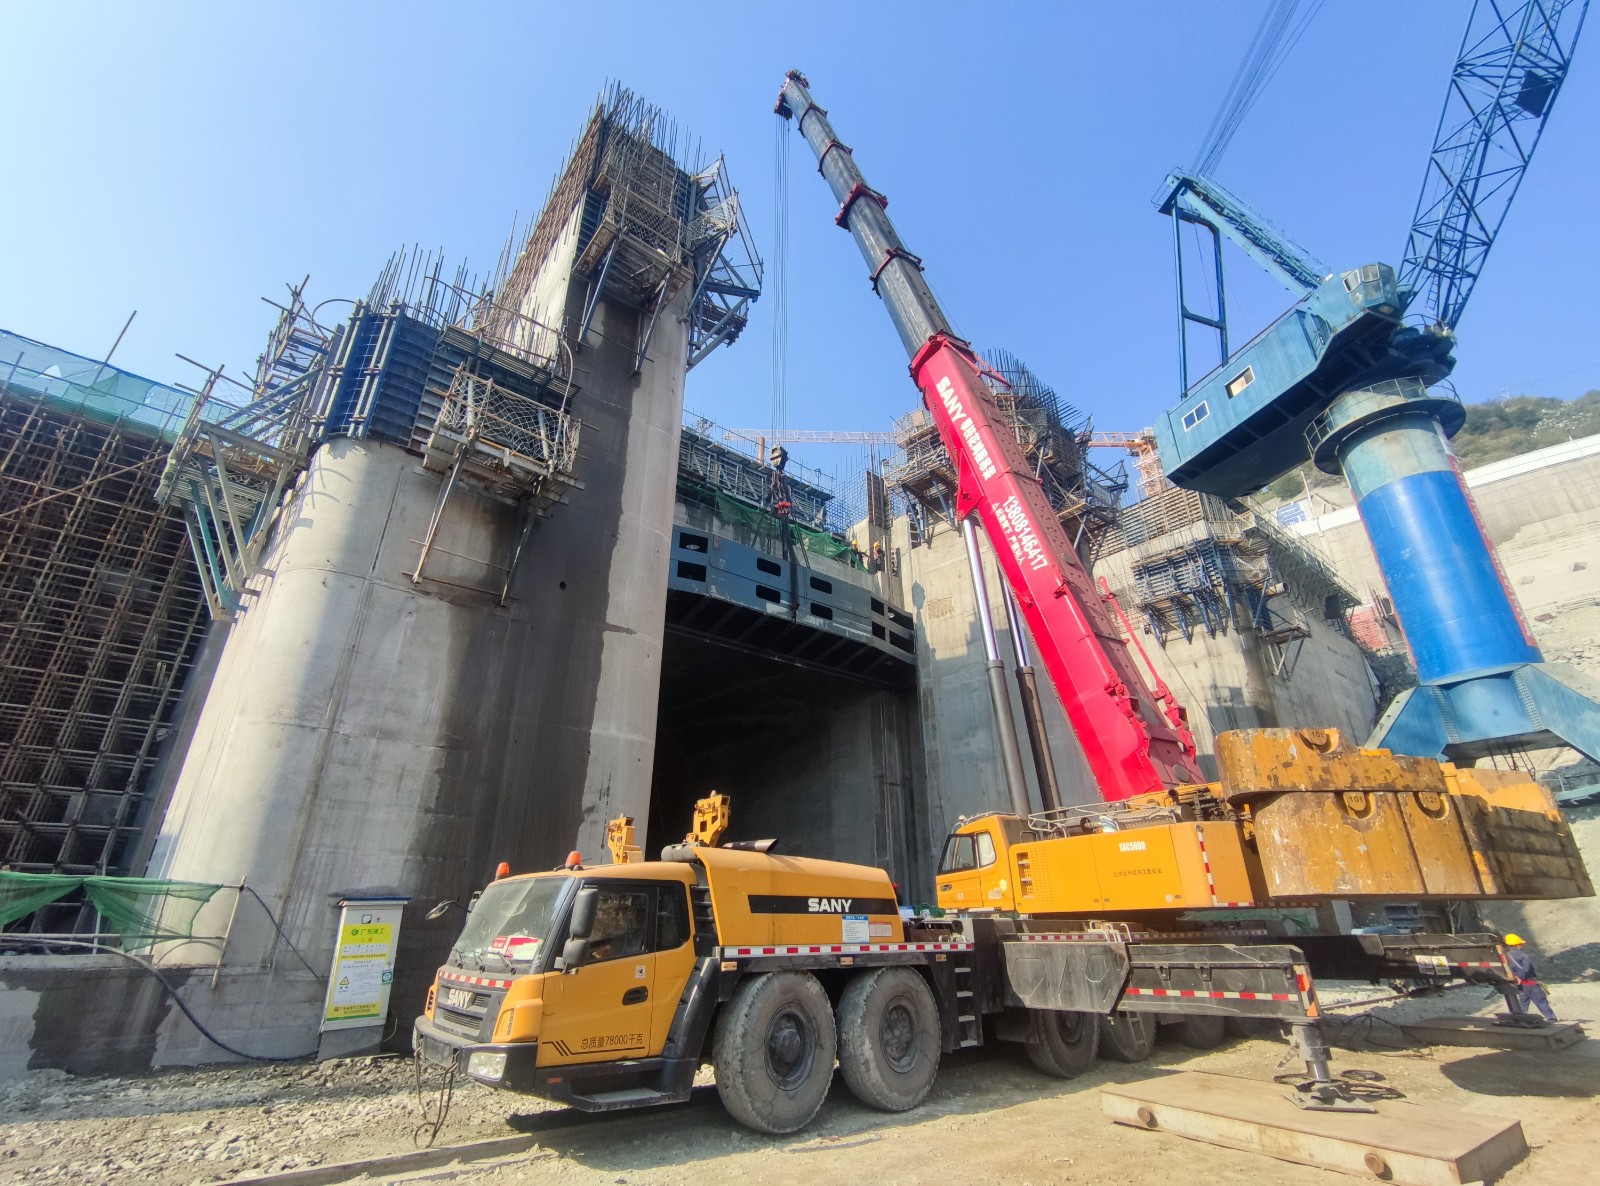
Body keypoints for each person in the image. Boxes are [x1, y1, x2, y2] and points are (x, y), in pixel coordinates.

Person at [1504, 933, 1557, 1022]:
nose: (1522, 945)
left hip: (1520, 985)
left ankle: (1521, 1019)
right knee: (1541, 1002)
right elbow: (1526, 969)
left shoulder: (1506, 956)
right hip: (1531, 984)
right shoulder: (1524, 955)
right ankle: (1551, 1019)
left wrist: (1516, 978)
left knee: (1523, 1004)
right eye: (1521, 944)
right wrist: (1520, 977)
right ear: (1517, 945)